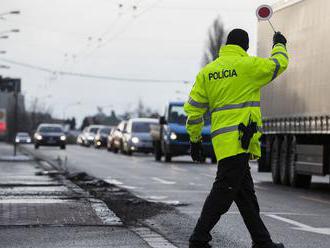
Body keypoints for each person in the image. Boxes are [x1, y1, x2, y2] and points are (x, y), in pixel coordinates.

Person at [184, 29, 288, 248]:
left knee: (245, 196)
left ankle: (262, 241)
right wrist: (279, 44)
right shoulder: (248, 66)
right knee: (223, 192)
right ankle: (199, 238)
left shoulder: (208, 72)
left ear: (226, 45)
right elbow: (278, 64)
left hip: (222, 143)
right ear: (245, 47)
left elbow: (193, 110)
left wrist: (194, 140)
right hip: (240, 141)